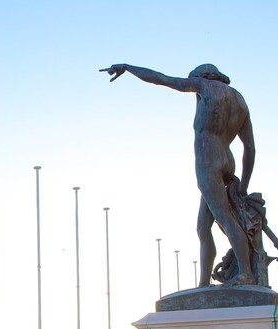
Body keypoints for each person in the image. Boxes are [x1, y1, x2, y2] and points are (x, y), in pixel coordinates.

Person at [100, 63, 257, 286]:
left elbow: (161, 78)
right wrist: (244, 185)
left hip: (208, 160)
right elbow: (250, 148)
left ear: (202, 76)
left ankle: (245, 273)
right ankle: (204, 282)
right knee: (203, 227)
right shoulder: (240, 101)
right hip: (227, 160)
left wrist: (127, 67)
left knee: (224, 217)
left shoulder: (204, 86)